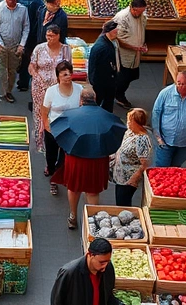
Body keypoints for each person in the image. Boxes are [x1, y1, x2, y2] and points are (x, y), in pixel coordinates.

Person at [54, 88, 112, 230]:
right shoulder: (107, 117)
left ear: (80, 100)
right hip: (97, 159)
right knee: (92, 190)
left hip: (76, 159)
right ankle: (92, 220)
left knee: (74, 187)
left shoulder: (69, 116)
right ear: (95, 98)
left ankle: (73, 216)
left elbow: (61, 137)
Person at [30, 25, 72, 167]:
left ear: (58, 35)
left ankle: (56, 139)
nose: (49, 38)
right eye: (47, 36)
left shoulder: (66, 49)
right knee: (40, 113)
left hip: (57, 88)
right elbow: (32, 66)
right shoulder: (39, 48)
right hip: (40, 87)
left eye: (52, 36)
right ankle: (41, 144)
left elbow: (68, 68)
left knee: (56, 112)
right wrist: (36, 77)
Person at [40, 61, 81, 196]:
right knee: (51, 155)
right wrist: (46, 126)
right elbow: (45, 111)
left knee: (64, 156)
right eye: (64, 74)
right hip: (53, 128)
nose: (68, 76)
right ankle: (51, 170)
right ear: (58, 76)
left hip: (70, 130)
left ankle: (56, 178)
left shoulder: (79, 89)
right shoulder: (51, 91)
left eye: (69, 73)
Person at [151, 70, 186, 167]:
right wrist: (158, 138)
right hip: (165, 141)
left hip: (184, 142)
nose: (181, 86)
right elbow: (156, 114)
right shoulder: (165, 94)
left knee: (176, 170)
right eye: (179, 83)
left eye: (185, 84)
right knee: (162, 169)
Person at [0, 0, 29, 104]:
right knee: (1, 69)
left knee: (12, 70)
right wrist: (0, 43)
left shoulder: (23, 10)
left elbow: (26, 27)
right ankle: (1, 91)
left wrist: (22, 44)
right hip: (2, 46)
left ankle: (8, 91)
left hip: (15, 47)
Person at [110, 108, 152, 207]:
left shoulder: (142, 140)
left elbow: (145, 164)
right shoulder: (130, 131)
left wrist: (134, 179)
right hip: (120, 175)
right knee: (119, 200)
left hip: (129, 179)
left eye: (130, 120)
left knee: (123, 203)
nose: (128, 122)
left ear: (136, 122)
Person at [112, 0, 148, 109]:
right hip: (124, 54)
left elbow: (141, 31)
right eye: (137, 11)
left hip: (135, 54)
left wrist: (143, 44)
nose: (139, 14)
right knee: (123, 76)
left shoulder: (142, 16)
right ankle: (118, 95)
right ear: (131, 7)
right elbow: (118, 39)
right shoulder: (122, 18)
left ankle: (119, 93)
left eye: (142, 11)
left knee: (130, 76)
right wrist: (134, 47)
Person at [15, 0, 44, 92]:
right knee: (28, 58)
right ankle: (24, 82)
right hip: (32, 36)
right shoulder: (40, 2)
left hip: (18, 34)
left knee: (17, 56)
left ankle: (17, 79)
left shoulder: (18, 0)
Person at [87, 21, 119, 112]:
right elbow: (106, 68)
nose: (117, 34)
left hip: (99, 80)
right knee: (104, 104)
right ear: (110, 31)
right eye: (116, 32)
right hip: (103, 82)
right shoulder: (105, 48)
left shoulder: (103, 41)